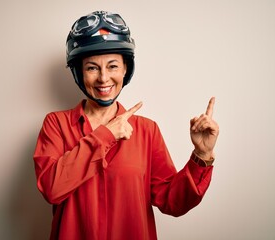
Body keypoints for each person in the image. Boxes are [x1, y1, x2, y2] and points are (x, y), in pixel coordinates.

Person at [33, 10, 219, 240]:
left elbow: (173, 202)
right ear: (79, 72)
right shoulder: (56, 124)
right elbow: (52, 188)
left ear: (125, 69)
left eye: (112, 66)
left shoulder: (147, 131)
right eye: (92, 67)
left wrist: (202, 154)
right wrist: (105, 135)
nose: (103, 78)